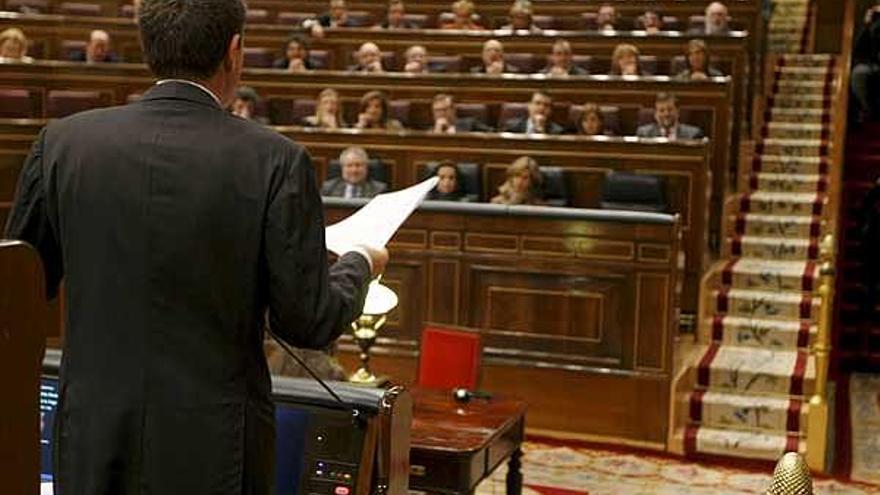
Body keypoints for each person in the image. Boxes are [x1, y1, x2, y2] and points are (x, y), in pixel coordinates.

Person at [3, 0, 388, 493]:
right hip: (216, 448)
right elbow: (307, 319)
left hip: (94, 437)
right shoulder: (276, 160)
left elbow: (18, 291)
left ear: (148, 48)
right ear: (234, 52)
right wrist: (360, 262)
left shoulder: (61, 143)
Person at [321, 146, 388, 198]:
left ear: (366, 168)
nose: (354, 170)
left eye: (358, 165)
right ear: (342, 168)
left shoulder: (379, 191)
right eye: (349, 165)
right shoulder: (329, 188)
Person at [852, 4, 880, 121]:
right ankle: (868, 110)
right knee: (859, 73)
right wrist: (866, 24)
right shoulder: (875, 22)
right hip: (873, 64)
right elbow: (858, 49)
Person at [637, 92, 705, 139]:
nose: (666, 114)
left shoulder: (693, 135)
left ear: (677, 112)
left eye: (670, 109)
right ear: (655, 114)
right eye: (662, 110)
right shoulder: (644, 134)